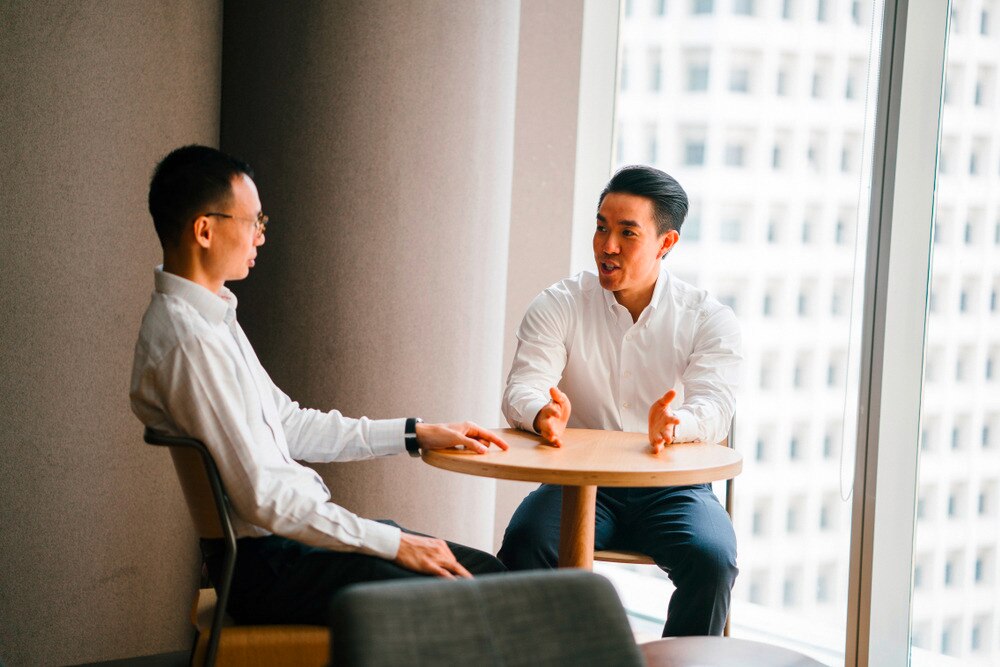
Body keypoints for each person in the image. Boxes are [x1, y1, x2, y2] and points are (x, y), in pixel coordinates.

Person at [130, 144, 509, 625]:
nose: (260, 238)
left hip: (292, 548)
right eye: (254, 222)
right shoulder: (188, 342)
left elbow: (289, 424)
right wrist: (394, 543)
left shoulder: (210, 319)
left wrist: (416, 433)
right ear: (205, 229)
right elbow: (263, 499)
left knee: (489, 573)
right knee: (478, 594)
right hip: (272, 567)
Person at [498, 165, 741, 637]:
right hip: (582, 484)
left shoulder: (708, 318)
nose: (607, 245)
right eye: (601, 227)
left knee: (712, 560)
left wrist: (677, 423)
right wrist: (541, 414)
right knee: (526, 542)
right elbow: (521, 389)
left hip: (673, 484)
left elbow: (715, 406)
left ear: (665, 243)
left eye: (627, 233)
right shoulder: (559, 304)